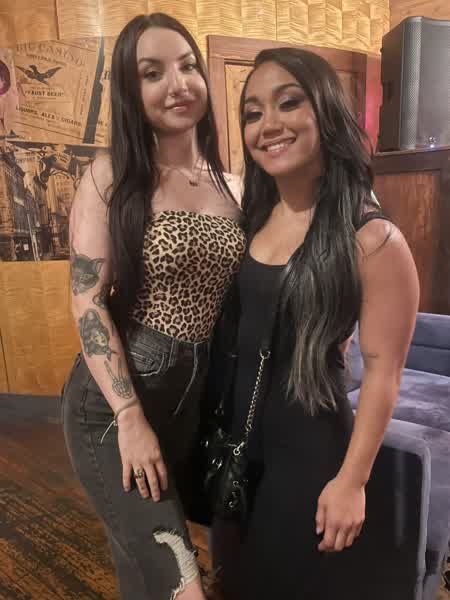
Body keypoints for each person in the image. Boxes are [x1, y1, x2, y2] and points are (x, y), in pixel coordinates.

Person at [213, 47, 420, 599]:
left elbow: (384, 373)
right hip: (241, 451)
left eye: (289, 103)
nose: (268, 124)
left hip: (309, 457)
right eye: (252, 113)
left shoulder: (372, 238)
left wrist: (352, 481)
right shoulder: (253, 217)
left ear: (325, 111)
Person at [61, 13, 245, 600]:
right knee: (181, 581)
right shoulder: (111, 177)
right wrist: (129, 416)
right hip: (113, 405)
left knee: (145, 572)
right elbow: (88, 300)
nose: (178, 84)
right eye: (153, 72)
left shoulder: (235, 186)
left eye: (188, 66)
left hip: (192, 403)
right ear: (130, 90)